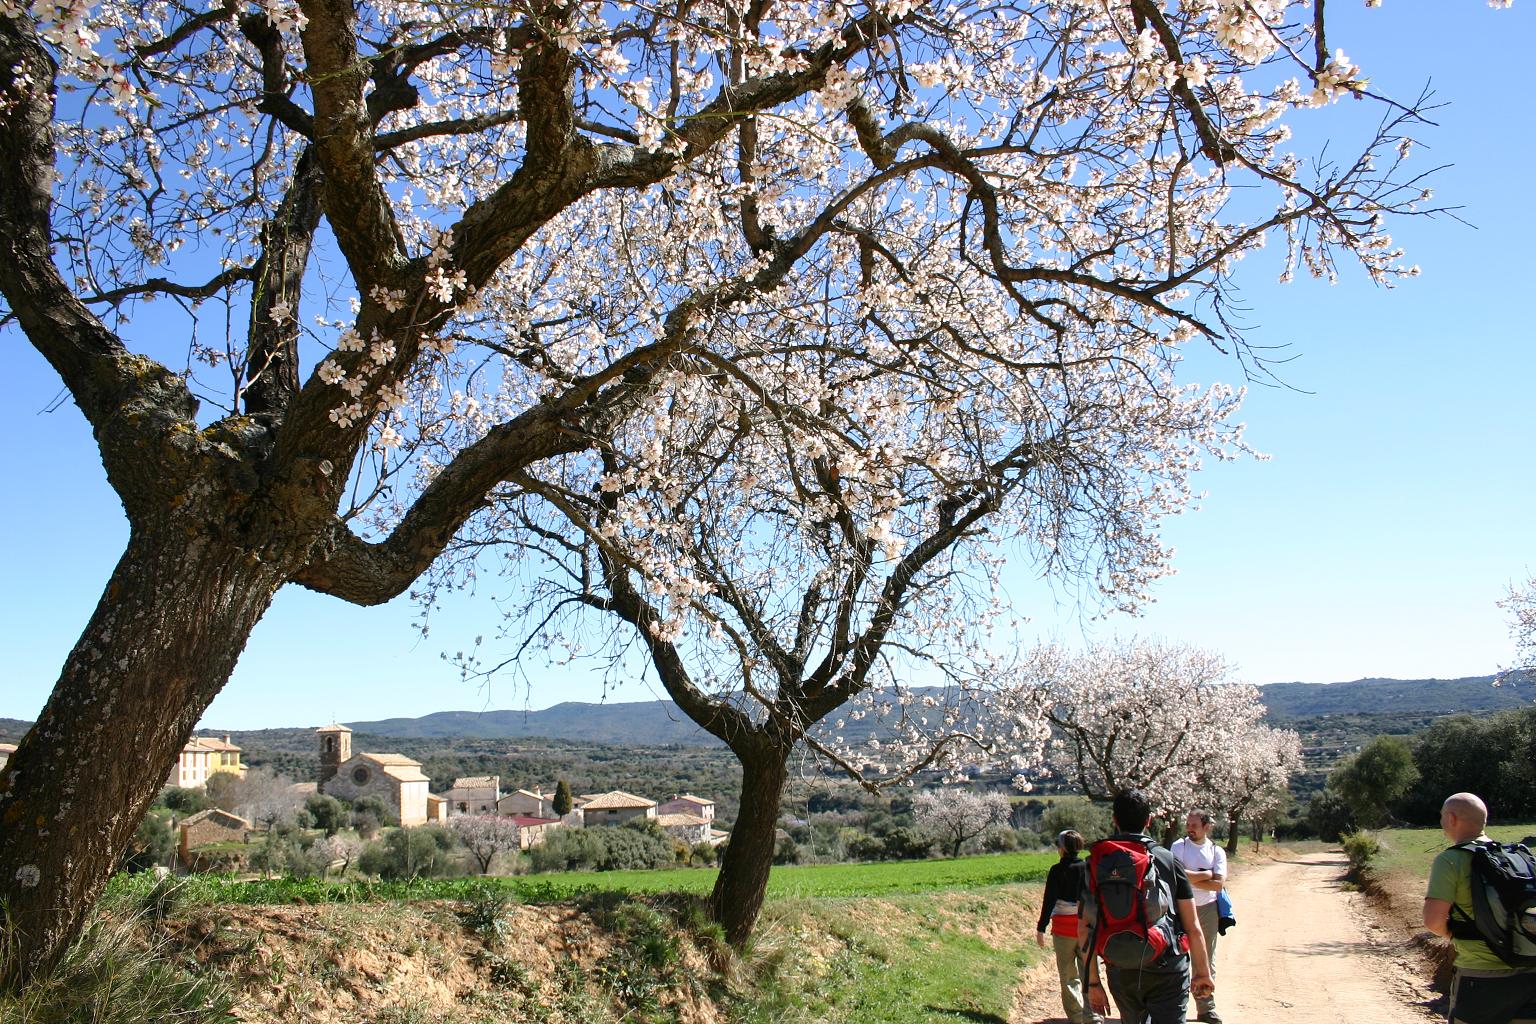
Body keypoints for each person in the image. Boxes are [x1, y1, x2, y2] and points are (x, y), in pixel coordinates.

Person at [1083, 790, 1215, 1024]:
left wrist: (1093, 982)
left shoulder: (1096, 861)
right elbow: (1192, 924)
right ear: (1149, 820)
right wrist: (1202, 973)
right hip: (1167, 965)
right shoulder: (1166, 859)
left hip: (1120, 965)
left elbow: (1085, 927)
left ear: (1114, 819)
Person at [1422, 792, 1536, 1024]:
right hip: (1530, 973)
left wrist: (1458, 935)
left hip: (1481, 977)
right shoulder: (1517, 857)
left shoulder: (1450, 860)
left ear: (1452, 819)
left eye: (1443, 816)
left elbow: (1433, 921)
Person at [1170, 809, 1227, 1024]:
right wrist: (1206, 873)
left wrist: (1188, 876)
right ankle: (1176, 1008)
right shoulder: (1178, 846)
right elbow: (1176, 876)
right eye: (1188, 824)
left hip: (1207, 909)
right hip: (1181, 907)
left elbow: (1218, 884)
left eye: (1194, 825)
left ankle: (1206, 1008)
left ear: (1206, 826)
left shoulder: (1216, 851)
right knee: (1179, 958)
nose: (1190, 828)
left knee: (1206, 959)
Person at [1037, 829, 1100, 1024]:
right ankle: (1093, 1015)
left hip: (1063, 929)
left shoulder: (1057, 870)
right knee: (1089, 972)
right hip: (1087, 927)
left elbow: (1049, 901)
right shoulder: (1088, 868)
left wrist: (1041, 927)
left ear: (1063, 848)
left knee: (1068, 975)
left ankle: (1076, 1016)